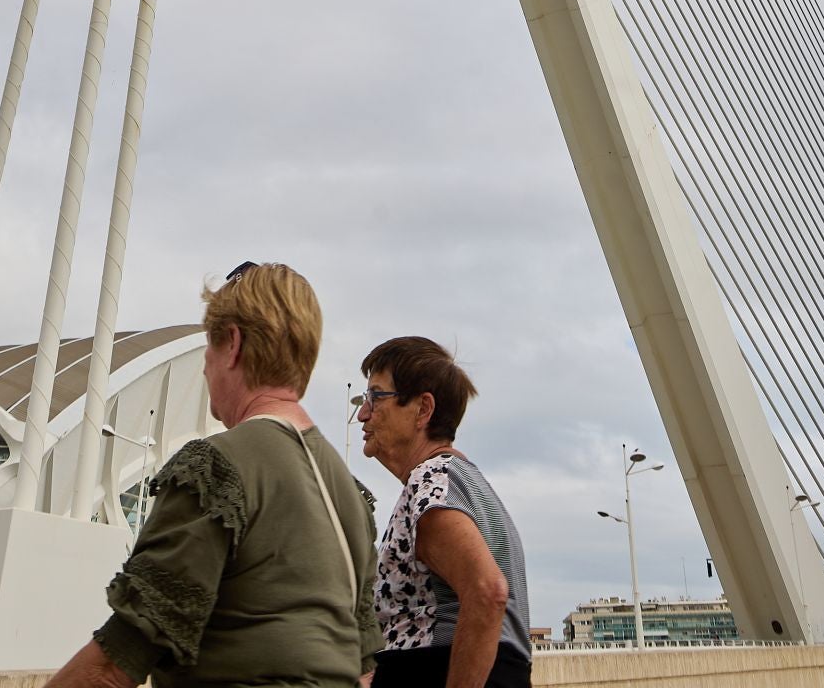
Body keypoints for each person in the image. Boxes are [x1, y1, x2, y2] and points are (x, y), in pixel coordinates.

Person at [47, 263, 380, 688]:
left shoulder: (216, 469)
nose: (205, 367)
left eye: (209, 346)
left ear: (233, 345)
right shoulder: (350, 495)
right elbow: (365, 668)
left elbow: (115, 665)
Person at [358, 336, 530, 688]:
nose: (362, 413)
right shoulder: (466, 481)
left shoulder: (430, 482)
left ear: (423, 409)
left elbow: (487, 592)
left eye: (375, 397)